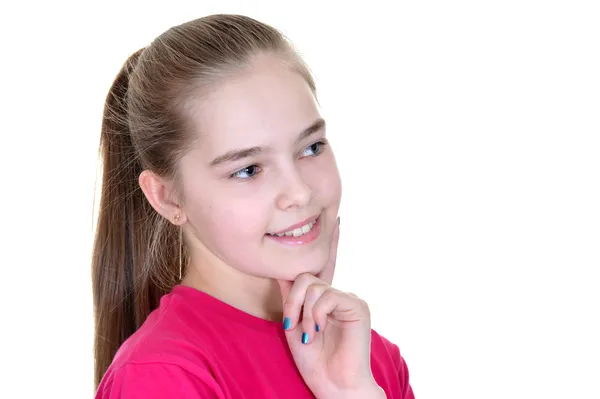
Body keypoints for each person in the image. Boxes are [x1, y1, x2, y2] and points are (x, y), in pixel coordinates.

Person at [92, 14, 414, 399]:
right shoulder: (162, 376)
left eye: (311, 147)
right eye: (247, 170)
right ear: (166, 196)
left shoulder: (368, 360)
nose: (299, 192)